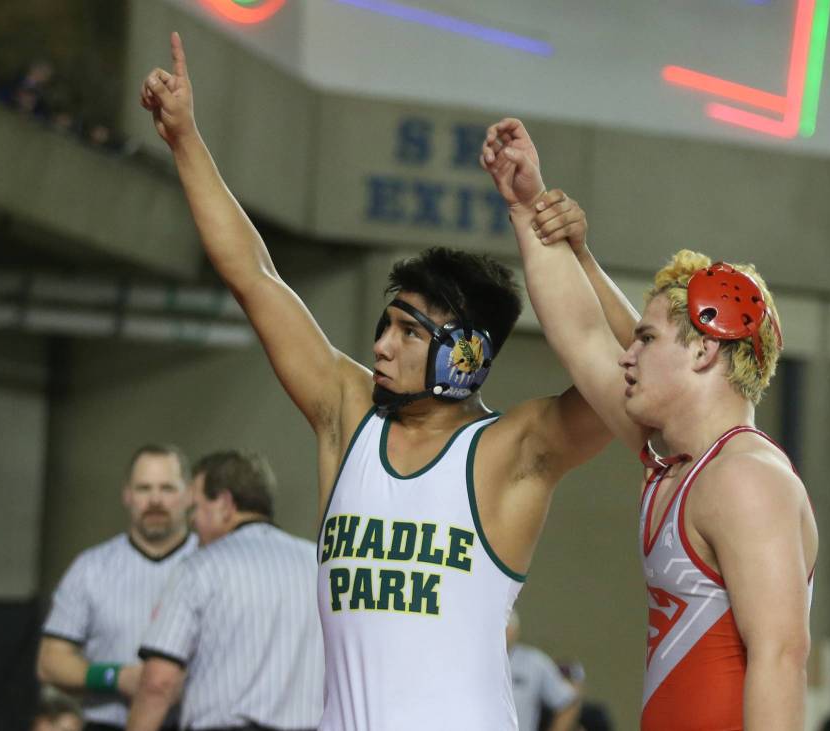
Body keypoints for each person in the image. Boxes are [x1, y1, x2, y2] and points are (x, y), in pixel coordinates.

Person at [139, 33, 611, 731]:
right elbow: (254, 276)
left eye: (409, 332)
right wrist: (184, 139)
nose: (381, 346)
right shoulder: (348, 412)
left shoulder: (515, 449)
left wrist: (566, 247)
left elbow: (629, 378)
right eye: (386, 324)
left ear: (464, 355)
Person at [481, 118, 818, 731]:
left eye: (646, 339)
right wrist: (529, 208)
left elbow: (782, 656)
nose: (626, 355)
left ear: (703, 352)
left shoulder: (747, 479)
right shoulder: (672, 465)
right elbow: (582, 336)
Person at [127, 451, 323, 731]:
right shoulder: (319, 564)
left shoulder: (200, 568)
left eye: (195, 507)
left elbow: (159, 683)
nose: (192, 521)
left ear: (225, 504)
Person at [38, 444, 196, 731]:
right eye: (144, 489)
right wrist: (117, 677)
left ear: (189, 495)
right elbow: (50, 662)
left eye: (168, 488)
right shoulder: (91, 567)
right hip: (108, 723)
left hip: (192, 722)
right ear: (127, 495)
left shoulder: (215, 566)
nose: (155, 500)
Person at [506, 610, 581, 731]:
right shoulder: (472, 660)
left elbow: (568, 702)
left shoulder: (534, 662)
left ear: (515, 630)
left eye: (507, 626)